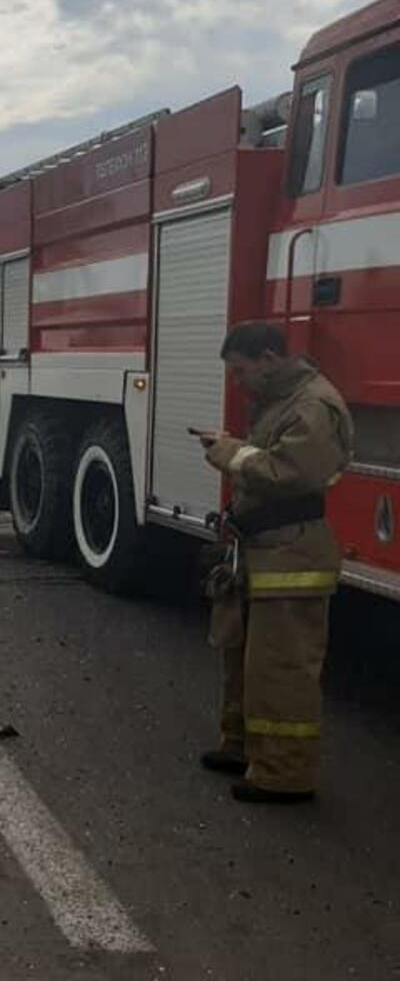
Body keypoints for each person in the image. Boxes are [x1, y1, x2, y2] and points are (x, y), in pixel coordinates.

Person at [196, 321, 353, 804]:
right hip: (265, 549)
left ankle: (284, 774)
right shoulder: (280, 400)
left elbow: (289, 472)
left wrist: (227, 452)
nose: (237, 382)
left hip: (293, 555)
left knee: (280, 668)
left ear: (268, 357)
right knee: (244, 656)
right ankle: (244, 748)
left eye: (241, 371)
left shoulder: (312, 405)